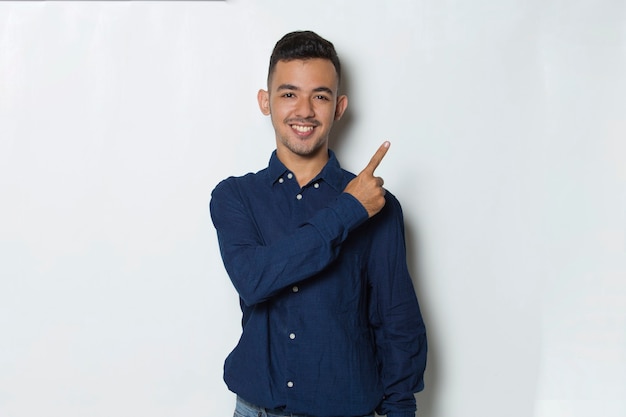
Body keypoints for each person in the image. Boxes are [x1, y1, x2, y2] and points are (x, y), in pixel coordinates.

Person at [210, 30, 427, 417]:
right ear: (266, 102)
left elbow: (397, 320)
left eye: (320, 96)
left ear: (339, 107)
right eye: (289, 93)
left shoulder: (380, 206)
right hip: (256, 408)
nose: (305, 110)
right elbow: (254, 278)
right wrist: (348, 210)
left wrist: (400, 410)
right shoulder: (235, 197)